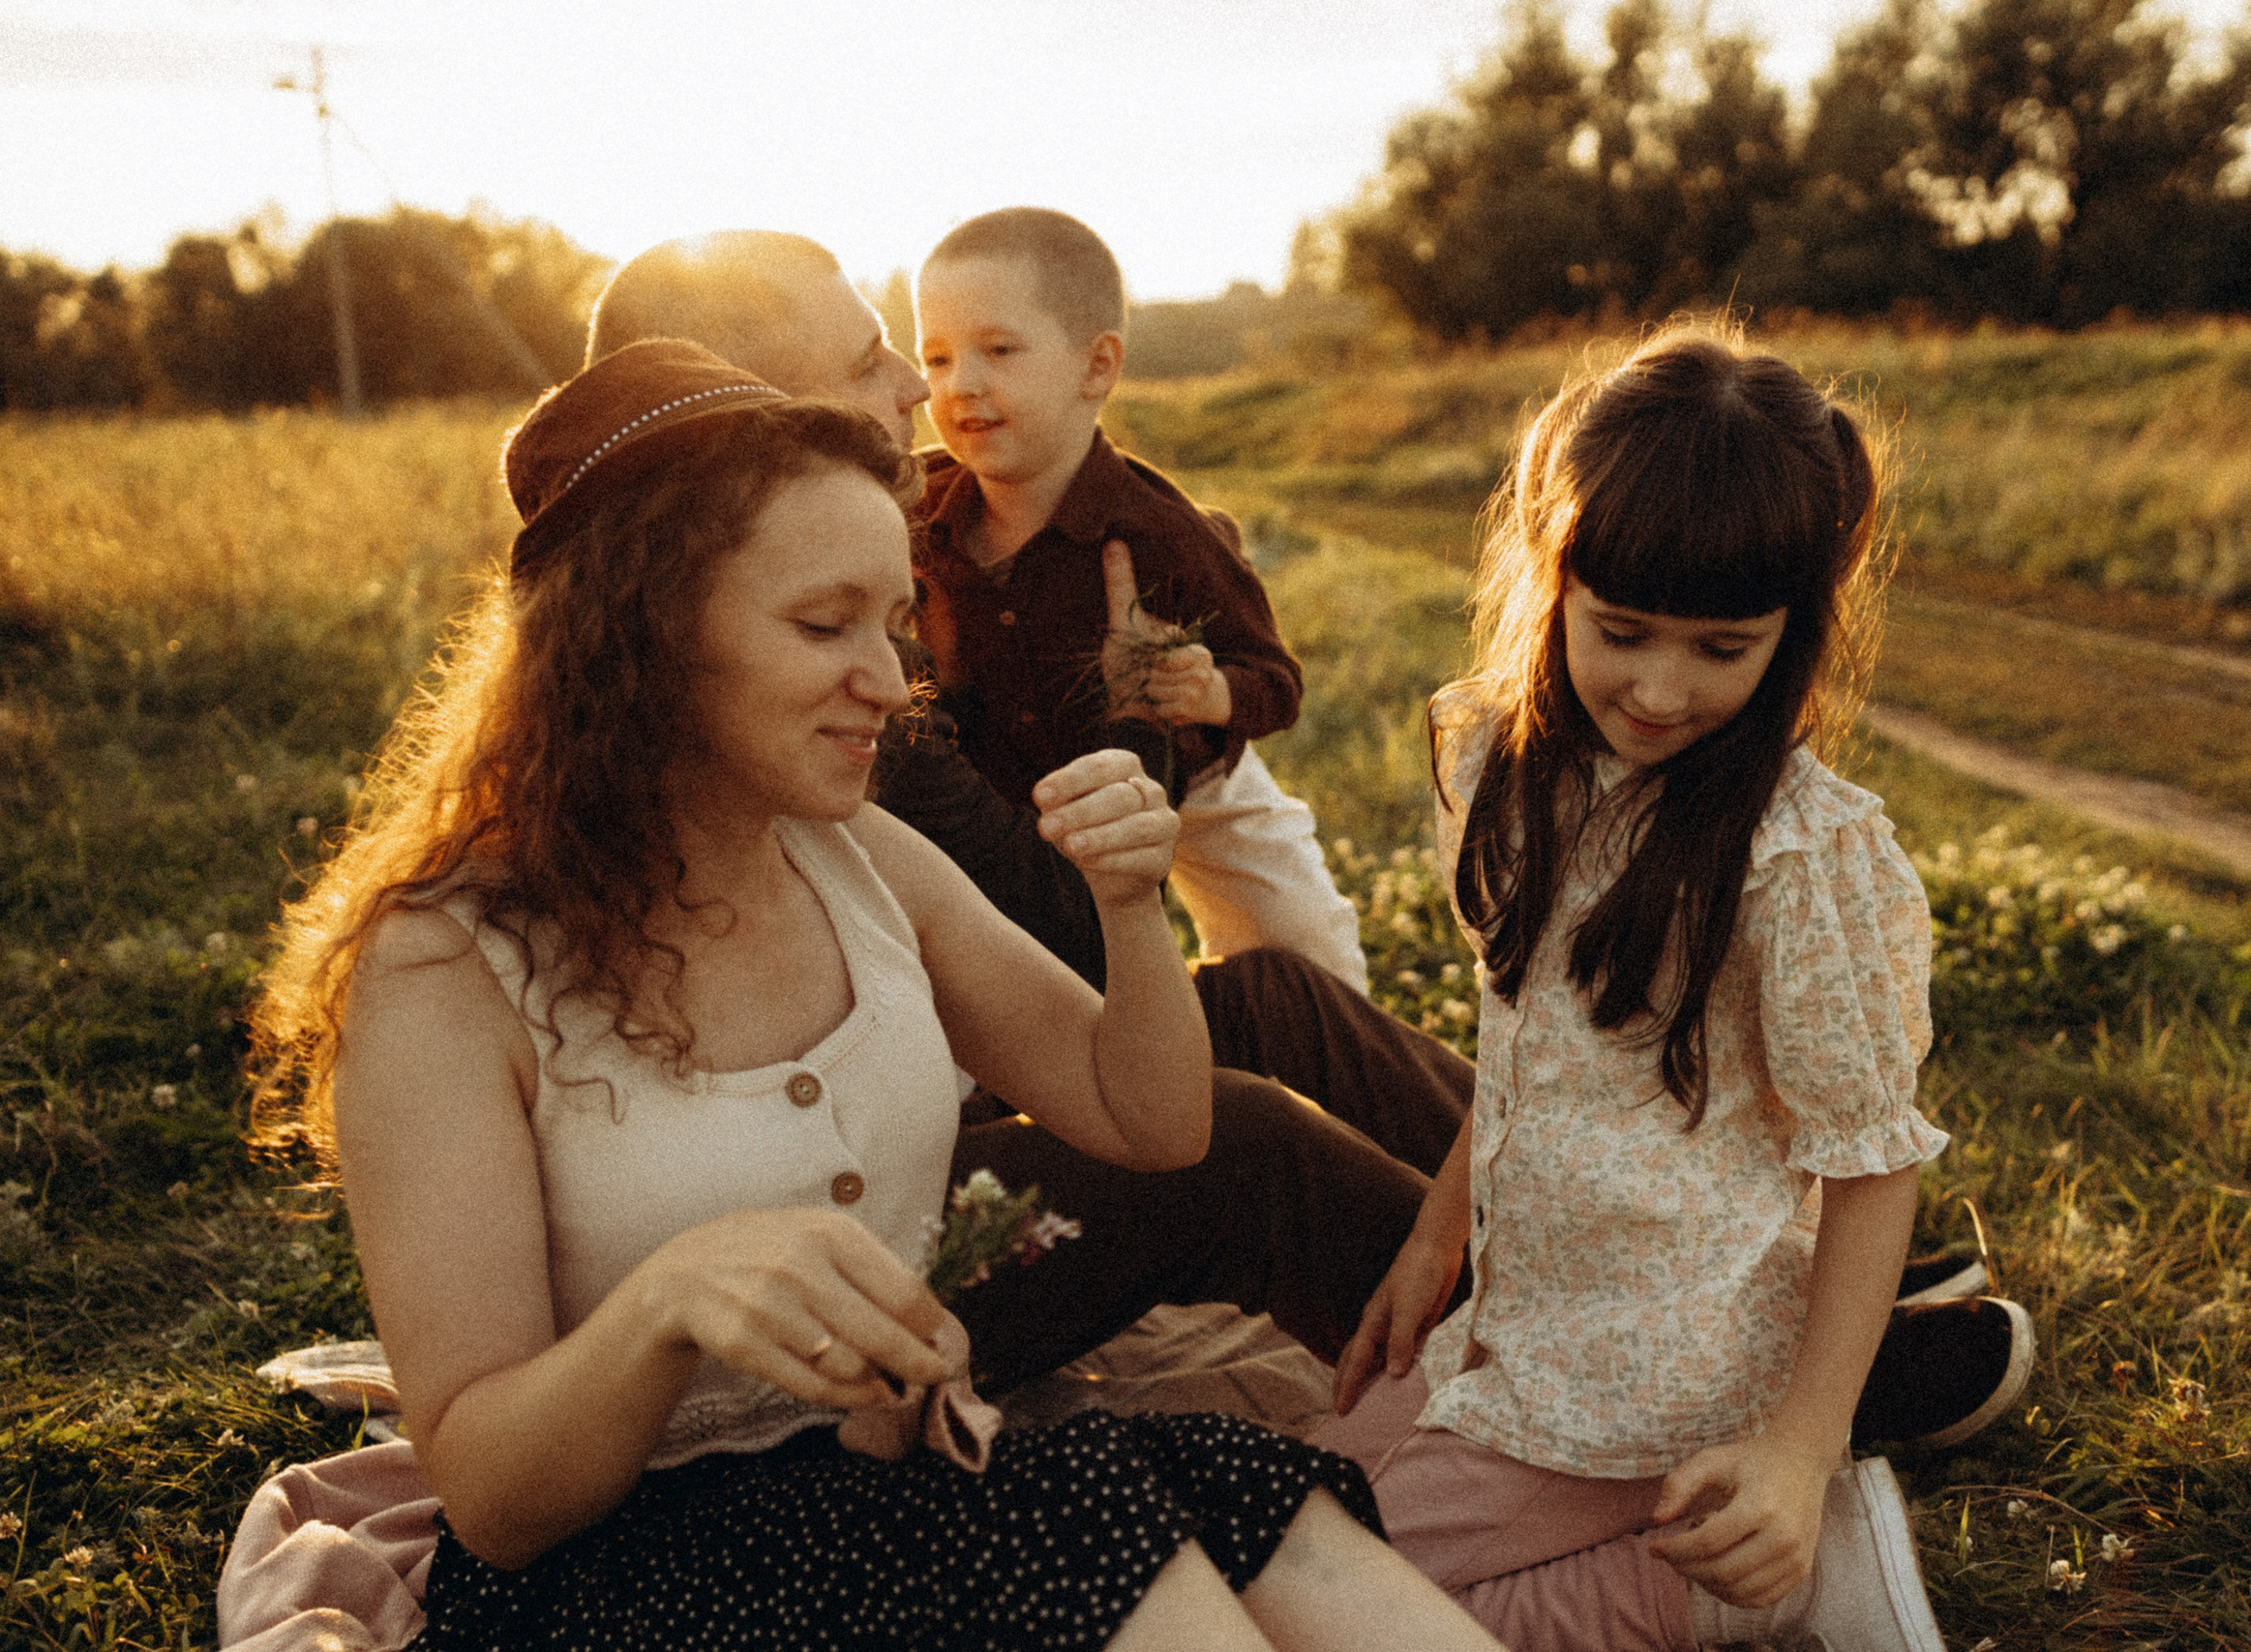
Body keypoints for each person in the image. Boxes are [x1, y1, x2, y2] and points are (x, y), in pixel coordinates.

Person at [578, 230, 2034, 1445]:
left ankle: (1755, 1268)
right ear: (742, 426)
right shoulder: (793, 692)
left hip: (942, 1077)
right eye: (867, 364)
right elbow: (1049, 931)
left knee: (1278, 1000)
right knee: (1248, 1144)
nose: (916, 383)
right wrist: (1126, 753)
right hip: (864, 1193)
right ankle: (1681, 1373)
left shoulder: (843, 603)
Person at [246, 339, 1505, 1650]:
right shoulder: (446, 965)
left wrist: (1132, 904)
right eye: (822, 624)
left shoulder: (860, 858)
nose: (890, 680)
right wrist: (670, 1300)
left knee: (1254, 1503)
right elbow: (494, 1501)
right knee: (1096, 1535)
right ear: (642, 633)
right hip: (622, 1573)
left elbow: (1154, 1120)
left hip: (889, 1484)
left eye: (895, 622)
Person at [1315, 329, 1964, 1652]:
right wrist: (1437, 1238)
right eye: (1620, 632)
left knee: (1307, 1586)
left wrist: (1800, 1446)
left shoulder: (1795, 854)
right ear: (1551, 573)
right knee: (1295, 1509)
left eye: (1723, 648)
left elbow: (1870, 1163)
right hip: (1519, 1326)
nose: (1660, 690)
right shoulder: (1503, 763)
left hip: (1668, 1365)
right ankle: (1700, 1548)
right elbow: (1528, 1047)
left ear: (1796, 633)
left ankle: (1755, 1570)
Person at [910, 206, 1370, 992]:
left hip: (1187, 778)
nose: (963, 384)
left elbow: (1277, 680)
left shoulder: (1162, 532)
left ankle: (1325, 1030)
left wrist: (1212, 692)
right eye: (938, 357)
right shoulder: (915, 510)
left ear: (1097, 367)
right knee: (1021, 970)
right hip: (1012, 787)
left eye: (999, 349)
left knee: (1302, 939)